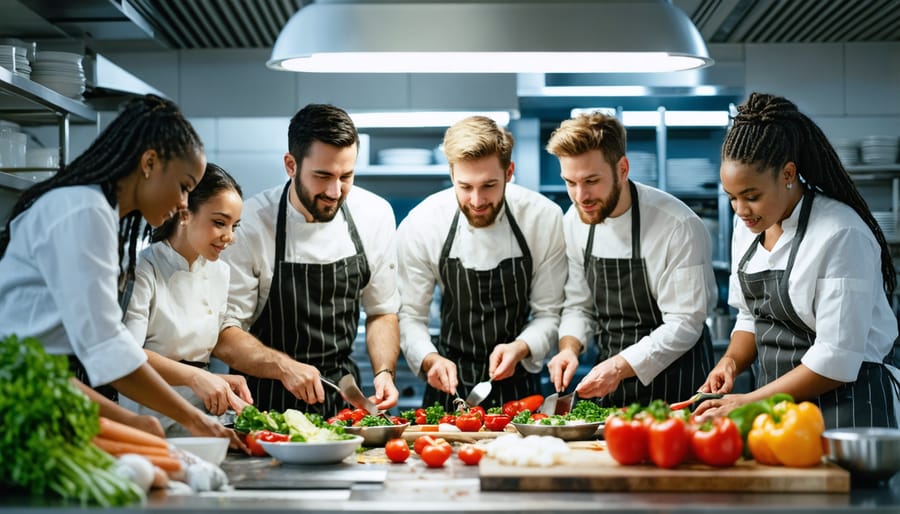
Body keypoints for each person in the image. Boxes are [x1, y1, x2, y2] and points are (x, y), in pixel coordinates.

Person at [0, 94, 238, 443]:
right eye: (184, 186)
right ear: (150, 162)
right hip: (19, 394)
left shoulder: (94, 210)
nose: (184, 203)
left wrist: (139, 421)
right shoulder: (85, 210)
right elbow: (107, 348)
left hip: (39, 388)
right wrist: (191, 419)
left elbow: (65, 364)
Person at [693, 92, 899, 428]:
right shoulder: (747, 227)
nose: (741, 210)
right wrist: (730, 362)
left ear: (788, 173)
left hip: (846, 413)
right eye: (732, 198)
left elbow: (837, 358)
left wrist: (747, 403)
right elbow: (749, 316)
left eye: (751, 196)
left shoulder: (841, 233)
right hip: (777, 414)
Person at [215, 103, 401, 415]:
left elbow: (382, 311)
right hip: (266, 406)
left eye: (347, 176)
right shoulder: (250, 223)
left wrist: (384, 371)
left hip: (342, 402)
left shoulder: (375, 214)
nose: (335, 191)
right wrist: (284, 366)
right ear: (291, 165)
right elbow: (224, 333)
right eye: (322, 175)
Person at [545, 111, 717, 407]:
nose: (580, 195)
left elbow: (685, 322)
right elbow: (579, 305)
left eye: (591, 180)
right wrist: (569, 348)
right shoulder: (574, 220)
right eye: (570, 182)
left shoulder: (677, 225)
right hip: (610, 391)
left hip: (676, 388)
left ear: (622, 169)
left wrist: (619, 367)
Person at [397, 116, 567, 411]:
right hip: (446, 383)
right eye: (465, 186)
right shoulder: (423, 223)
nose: (476, 200)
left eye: (489, 185)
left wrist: (521, 347)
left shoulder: (543, 218)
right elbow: (410, 315)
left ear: (509, 172)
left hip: (521, 387)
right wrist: (429, 358)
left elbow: (549, 313)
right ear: (451, 174)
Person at [122, 162, 254, 436]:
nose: (230, 237)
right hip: (147, 420)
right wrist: (199, 378)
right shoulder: (143, 268)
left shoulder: (221, 272)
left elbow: (193, 362)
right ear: (184, 213)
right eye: (219, 223)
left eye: (234, 226)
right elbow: (127, 355)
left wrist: (216, 381)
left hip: (200, 421)